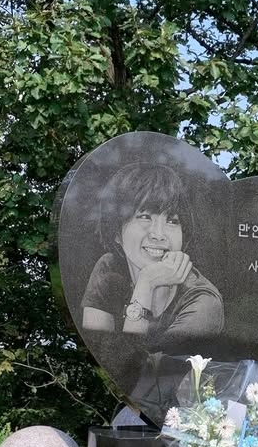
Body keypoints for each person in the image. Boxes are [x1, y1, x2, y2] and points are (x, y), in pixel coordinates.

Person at [81, 163, 224, 420]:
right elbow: (99, 353)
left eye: (172, 221)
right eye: (145, 216)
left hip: (187, 418)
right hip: (133, 411)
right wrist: (145, 286)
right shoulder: (109, 269)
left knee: (128, 421)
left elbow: (140, 382)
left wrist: (145, 285)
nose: (159, 235)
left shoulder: (203, 302)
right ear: (116, 231)